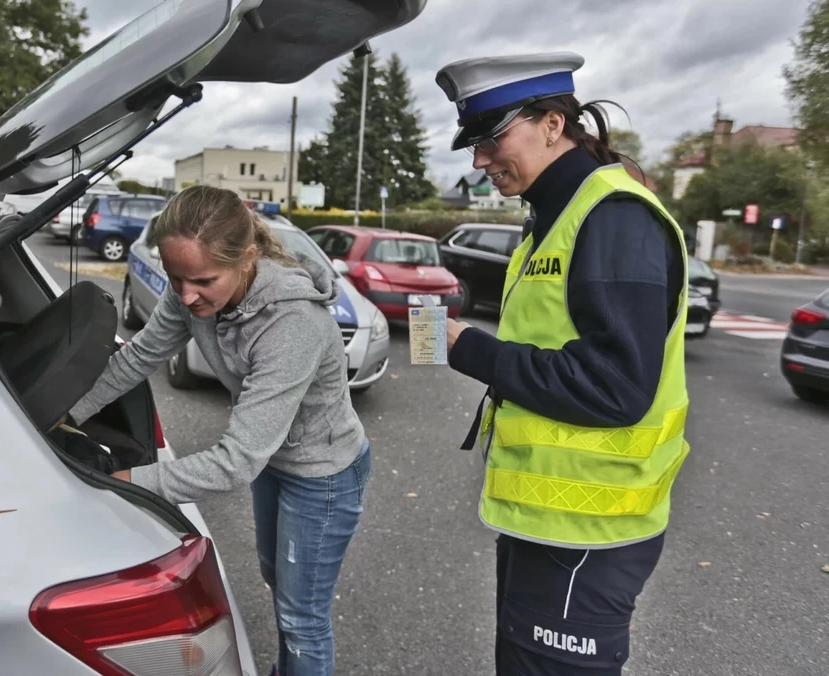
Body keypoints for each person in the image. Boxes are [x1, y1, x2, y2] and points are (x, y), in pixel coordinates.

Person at [433, 53, 691, 675]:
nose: (478, 160)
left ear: (553, 123)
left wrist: (470, 348)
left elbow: (616, 388)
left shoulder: (613, 216)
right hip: (553, 523)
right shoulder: (553, 215)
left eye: (492, 138)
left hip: (588, 534)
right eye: (472, 142)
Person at [67, 185, 371, 676]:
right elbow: (141, 357)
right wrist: (66, 415)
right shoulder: (191, 288)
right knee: (277, 577)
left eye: (203, 280)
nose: (187, 296)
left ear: (247, 259)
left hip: (322, 474)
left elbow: (235, 462)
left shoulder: (292, 323)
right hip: (273, 457)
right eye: (175, 277)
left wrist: (123, 484)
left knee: (302, 617)